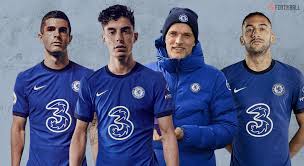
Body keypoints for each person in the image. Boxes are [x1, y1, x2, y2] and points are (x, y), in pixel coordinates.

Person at [69, 4, 178, 166]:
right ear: (103, 37)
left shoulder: (154, 80)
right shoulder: (91, 83)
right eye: (111, 32)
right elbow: (79, 133)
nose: (119, 38)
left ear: (135, 36)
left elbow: (168, 134)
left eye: (125, 31)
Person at [148, 7, 237, 166]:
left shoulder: (214, 78)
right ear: (164, 38)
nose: (178, 41)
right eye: (173, 33)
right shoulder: (145, 74)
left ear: (194, 41)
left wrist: (187, 133)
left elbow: (228, 129)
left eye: (187, 35)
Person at [10, 10, 92, 166]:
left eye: (63, 30)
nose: (57, 35)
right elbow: (18, 128)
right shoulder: (25, 79)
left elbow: (94, 129)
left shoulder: (87, 78)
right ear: (40, 37)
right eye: (50, 29)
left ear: (70, 38)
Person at [222, 12, 304, 166]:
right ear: (242, 39)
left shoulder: (292, 76)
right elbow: (216, 122)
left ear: (272, 37)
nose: (256, 34)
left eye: (262, 28)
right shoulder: (225, 76)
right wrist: (238, 153)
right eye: (249, 29)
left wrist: (287, 155)